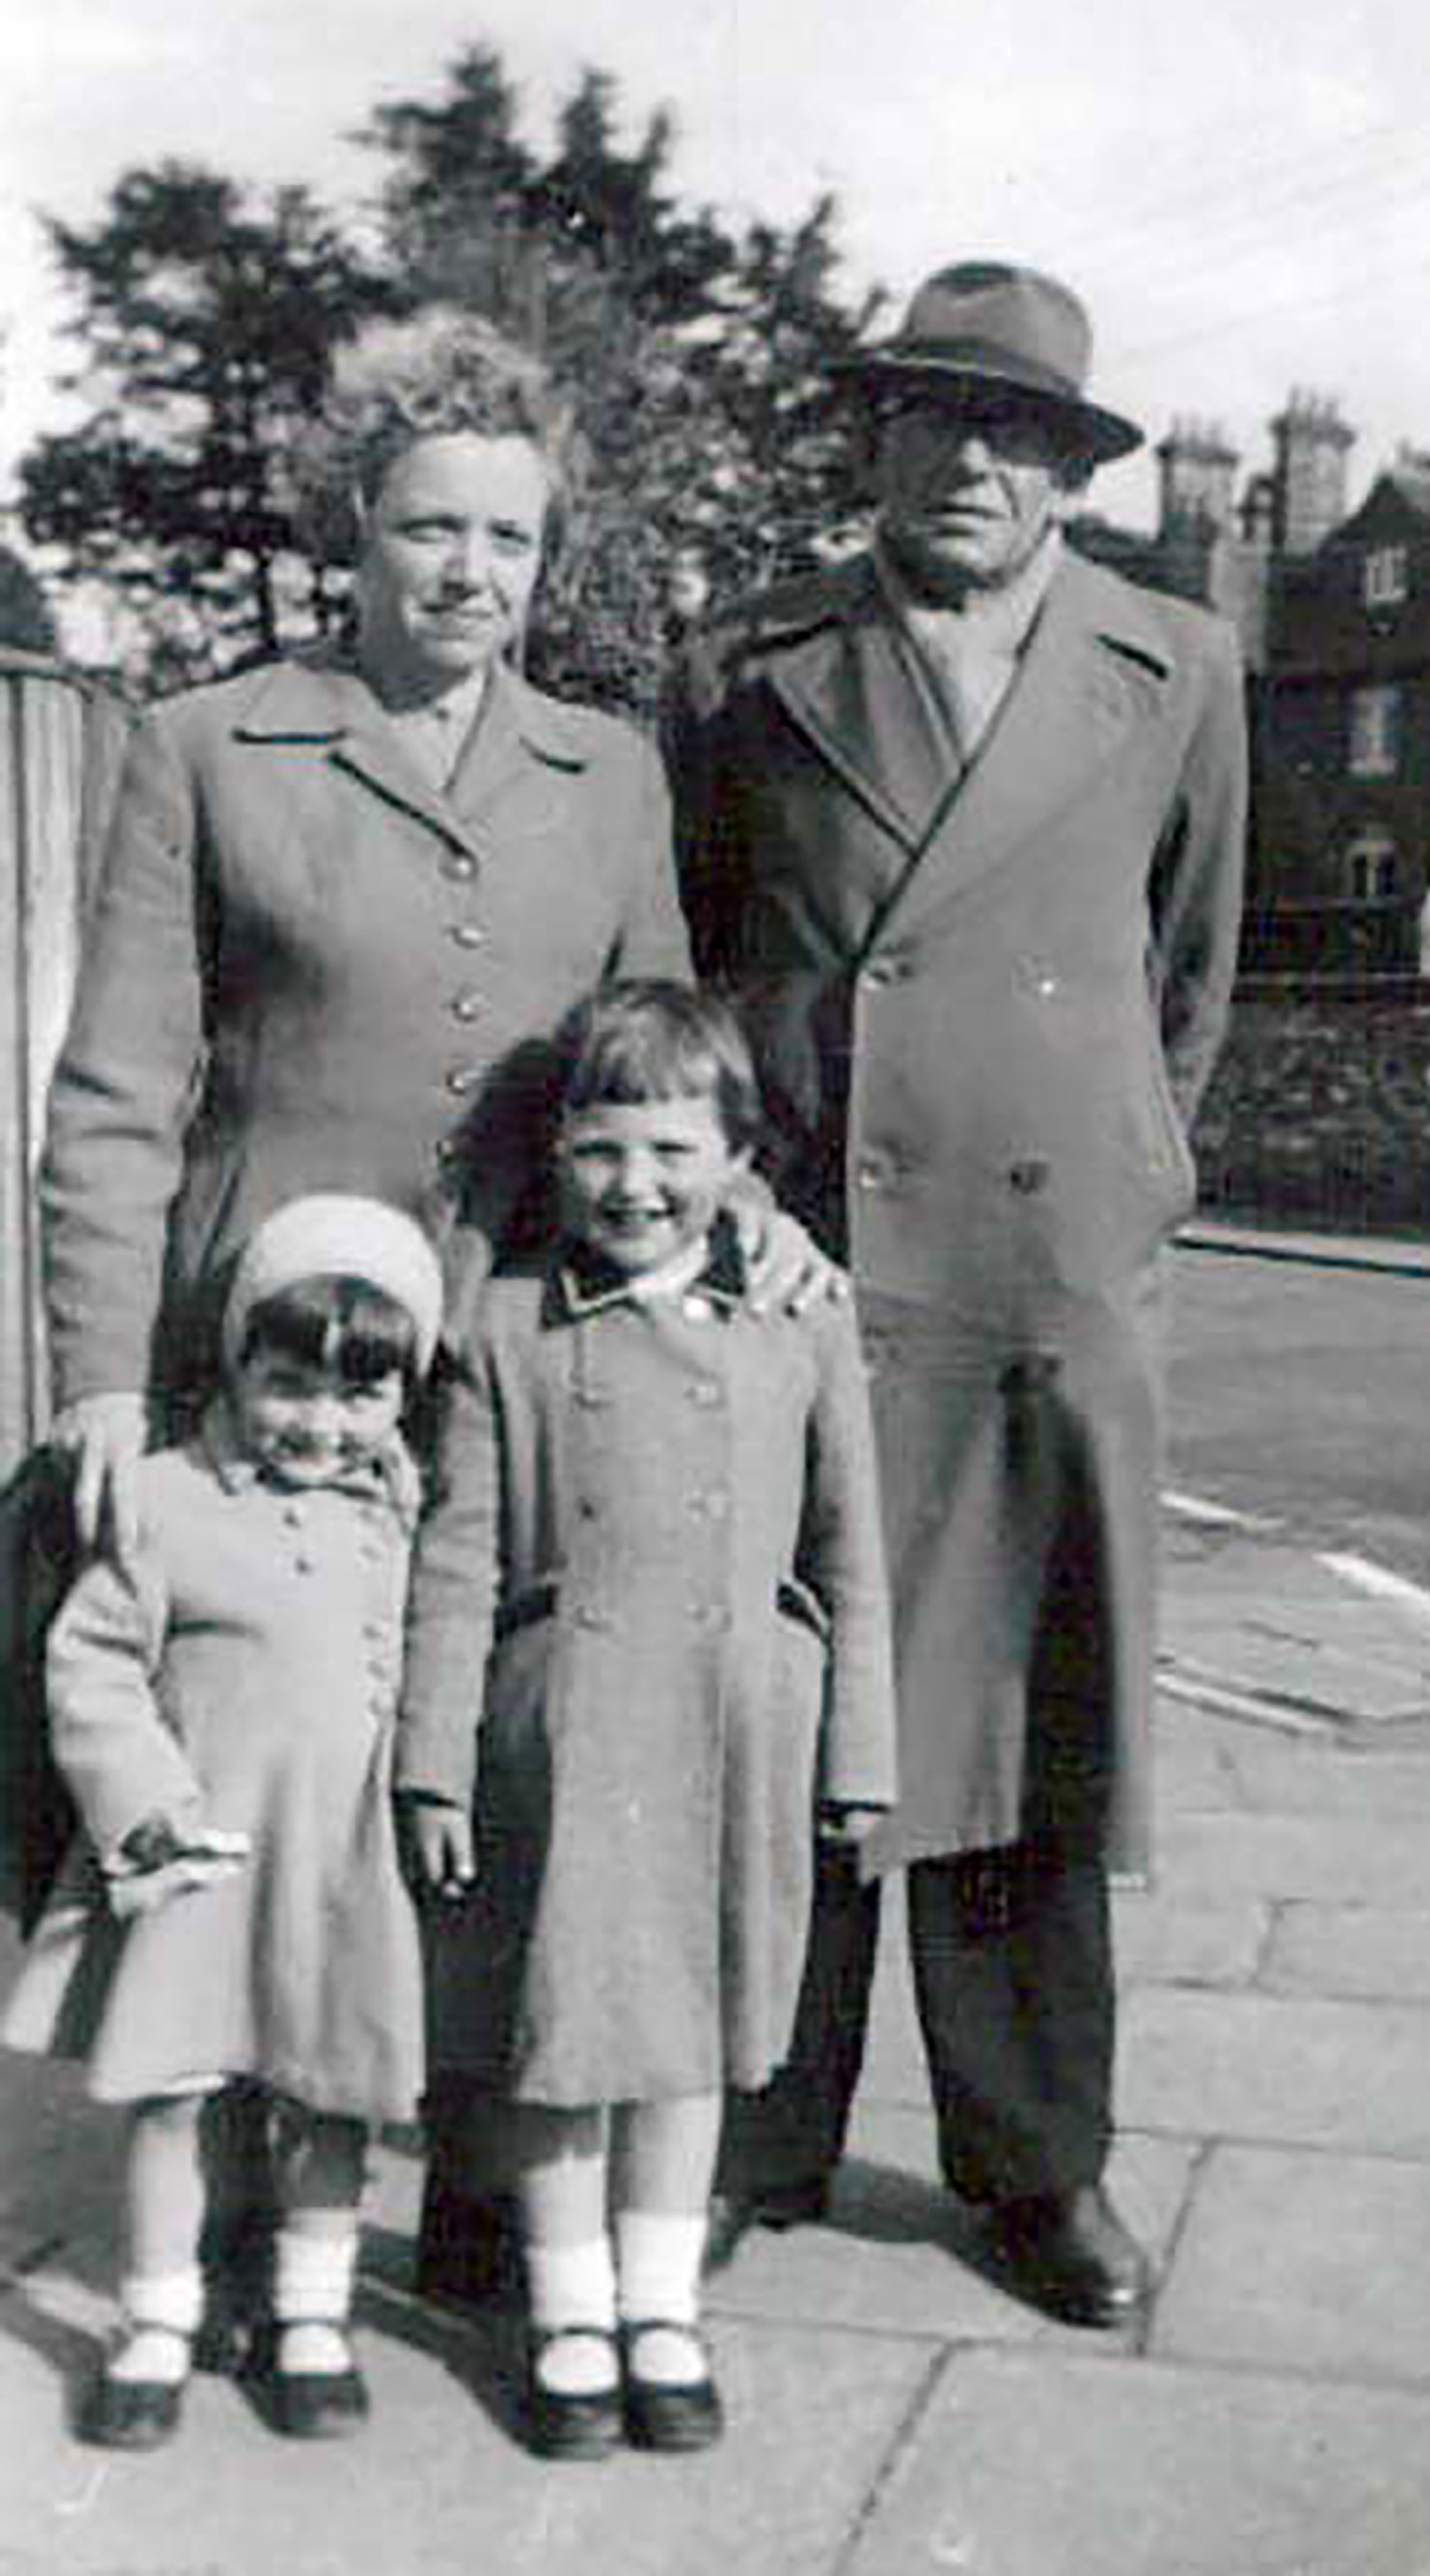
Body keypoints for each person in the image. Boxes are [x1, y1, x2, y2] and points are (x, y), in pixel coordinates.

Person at [30, 302, 831, 2304]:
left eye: (510, 543)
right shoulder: (207, 747)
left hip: (514, 1348)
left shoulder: (611, 770)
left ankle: (490, 2190)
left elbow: (664, 1070)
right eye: (429, 531)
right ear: (356, 531)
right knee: (249, 1749)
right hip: (264, 1359)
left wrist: (754, 1230)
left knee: (490, 1757)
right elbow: (120, 1094)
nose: (469, 575)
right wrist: (103, 1389)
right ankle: (213, 2203)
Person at [664, 260, 1247, 2325]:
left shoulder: (1174, 661)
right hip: (810, 1260)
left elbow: (1188, 972)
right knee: (788, 1700)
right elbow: (701, 955)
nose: (971, 463)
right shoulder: (747, 659)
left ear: (1077, 476)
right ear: (877, 437)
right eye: (933, 417)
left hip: (1042, 1280)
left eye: (1019, 434)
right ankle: (752, 2135)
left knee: (1030, 1720)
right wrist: (738, 1188)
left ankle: (1033, 2168)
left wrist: (1126, 1187)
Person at [395, 982, 894, 2456]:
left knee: (691, 2034)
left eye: (676, 1150)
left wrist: (860, 1752)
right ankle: (566, 2309)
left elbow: (851, 1553)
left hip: (738, 1724)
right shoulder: (501, 1333)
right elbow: (456, 1562)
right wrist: (433, 1763)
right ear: (555, 1157)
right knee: (567, 2032)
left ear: (741, 1157)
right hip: (569, 1729)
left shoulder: (801, 1324)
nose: (638, 1185)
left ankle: (662, 2303)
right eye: (604, 1150)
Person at [3, 1194, 444, 2449]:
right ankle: (155, 2314)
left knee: (329, 2091)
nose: (320, 1422)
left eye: (360, 1395)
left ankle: (312, 2311)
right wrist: (146, 1806)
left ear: (403, 1397)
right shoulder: (165, 1500)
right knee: (174, 2092)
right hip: (198, 1856)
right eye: (290, 1383)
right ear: (241, 1360)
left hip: (338, 1863)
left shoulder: (403, 1514)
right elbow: (88, 1665)